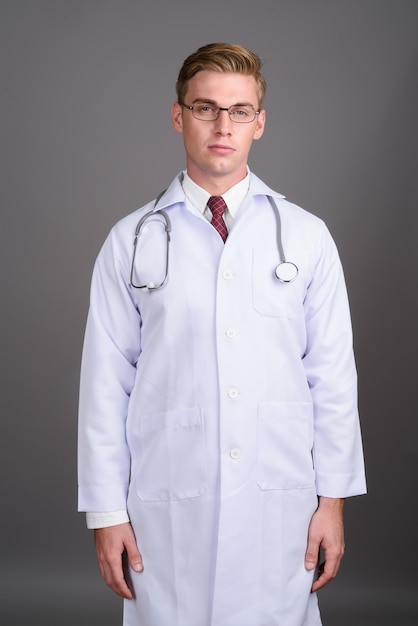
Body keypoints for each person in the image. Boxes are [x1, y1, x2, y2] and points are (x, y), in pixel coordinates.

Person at [78, 42, 366, 626]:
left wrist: (331, 503)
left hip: (278, 503)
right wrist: (107, 513)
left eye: (238, 111)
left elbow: (332, 377)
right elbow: (104, 387)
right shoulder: (131, 240)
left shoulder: (306, 237)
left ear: (259, 122)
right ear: (178, 115)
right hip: (168, 505)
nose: (222, 126)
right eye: (206, 108)